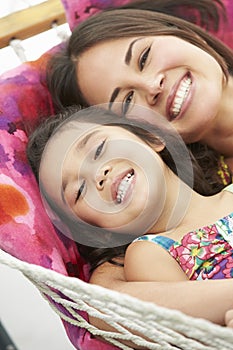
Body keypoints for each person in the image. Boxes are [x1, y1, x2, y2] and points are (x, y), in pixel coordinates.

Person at [27, 105, 233, 333]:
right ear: (98, 231)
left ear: (152, 137)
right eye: (80, 190)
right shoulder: (150, 253)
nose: (99, 175)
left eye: (99, 149)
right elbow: (201, 333)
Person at [46, 0, 233, 186]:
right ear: (143, 134)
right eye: (128, 100)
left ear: (182, 33)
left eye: (144, 58)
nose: (152, 87)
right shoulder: (217, 206)